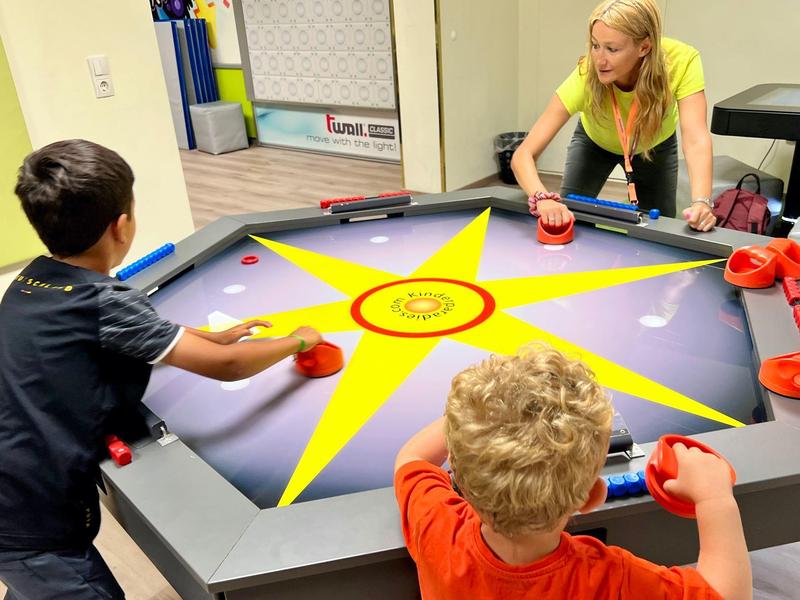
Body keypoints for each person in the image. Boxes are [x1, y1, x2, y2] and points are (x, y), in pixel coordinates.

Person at [0, 139, 322, 599]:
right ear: (123, 225)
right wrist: (300, 340)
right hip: (33, 514)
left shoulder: (32, 280)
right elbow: (228, 368)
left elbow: (119, 334)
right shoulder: (103, 301)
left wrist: (205, 336)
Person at [394, 343, 752, 600]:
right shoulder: (613, 580)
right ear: (592, 496)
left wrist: (479, 416)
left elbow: (413, 459)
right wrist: (715, 499)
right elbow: (727, 594)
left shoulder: (438, 530)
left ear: (459, 479)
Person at [512, 0, 716, 232]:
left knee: (658, 230)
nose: (599, 60)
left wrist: (702, 202)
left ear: (644, 47)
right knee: (568, 220)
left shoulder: (682, 62)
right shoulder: (585, 76)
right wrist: (542, 198)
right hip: (595, 143)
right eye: (595, 45)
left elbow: (696, 138)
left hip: (654, 146)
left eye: (612, 49)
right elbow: (523, 154)